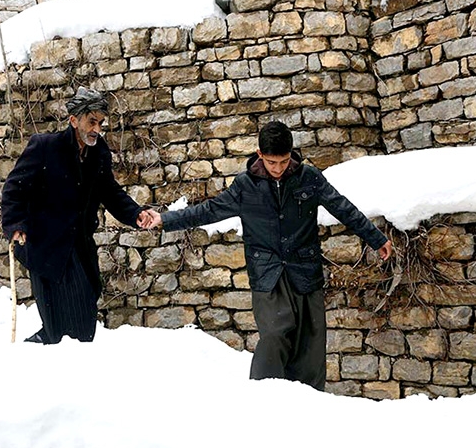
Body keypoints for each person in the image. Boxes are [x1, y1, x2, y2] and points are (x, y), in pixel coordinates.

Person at [146, 121, 392, 390]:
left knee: (310, 346)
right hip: (267, 275)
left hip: (305, 270)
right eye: (272, 162)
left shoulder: (308, 177)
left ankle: (307, 408)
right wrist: (165, 219)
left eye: (283, 162)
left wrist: (375, 238)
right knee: (274, 335)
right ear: (260, 154)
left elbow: (342, 207)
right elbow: (208, 211)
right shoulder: (245, 186)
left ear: (291, 155)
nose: (278, 169)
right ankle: (263, 398)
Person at [1, 87, 153, 344]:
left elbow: (109, 191)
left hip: (81, 244)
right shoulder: (45, 147)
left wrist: (135, 213)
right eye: (91, 121)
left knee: (84, 306)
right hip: (47, 246)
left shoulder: (98, 153)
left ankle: (42, 349)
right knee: (71, 322)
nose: (96, 128)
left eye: (100, 123)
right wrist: (15, 223)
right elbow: (15, 188)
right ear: (74, 120)